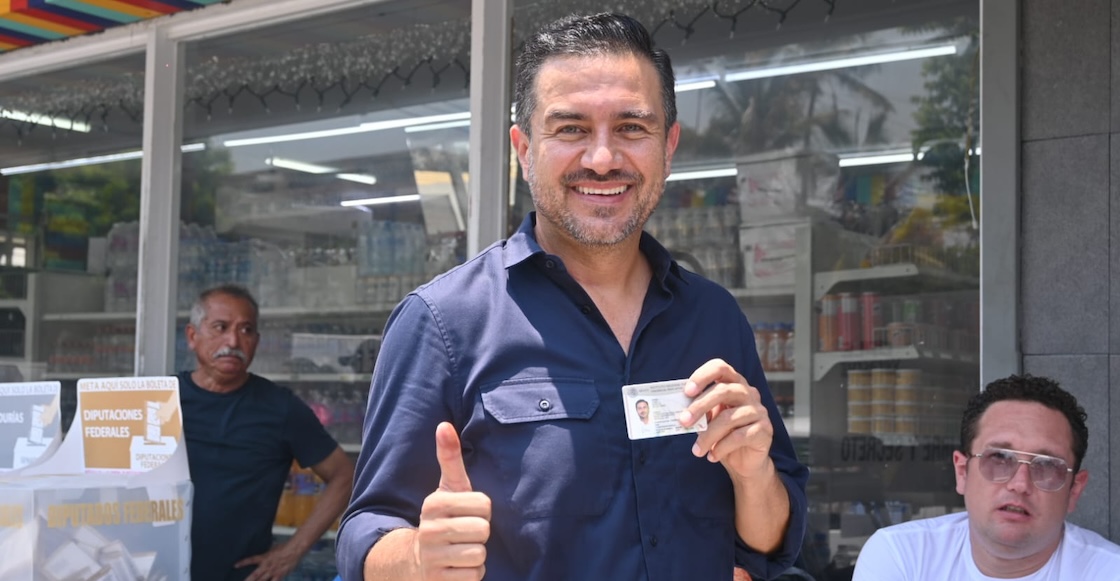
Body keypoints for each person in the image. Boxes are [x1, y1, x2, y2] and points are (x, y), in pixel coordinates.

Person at [336, 12, 807, 581]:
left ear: (668, 146)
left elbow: (767, 548)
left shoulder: (714, 317)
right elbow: (366, 530)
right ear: (523, 149)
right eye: (571, 129)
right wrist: (416, 557)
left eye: (631, 127)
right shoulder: (444, 322)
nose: (602, 158)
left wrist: (754, 476)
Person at [852, 374, 1120, 579]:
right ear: (962, 472)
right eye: (1000, 458)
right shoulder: (901, 555)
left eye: (1046, 465)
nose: (1020, 484)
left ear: (1074, 490)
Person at [179, 284, 355, 581]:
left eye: (246, 330)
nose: (233, 340)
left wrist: (292, 552)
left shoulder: (280, 408)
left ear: (257, 342)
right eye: (220, 327)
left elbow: (344, 476)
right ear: (192, 336)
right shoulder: (161, 400)